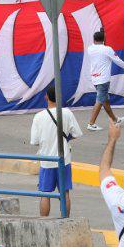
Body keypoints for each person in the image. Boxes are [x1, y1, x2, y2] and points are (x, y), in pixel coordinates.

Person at [30, 85, 83, 217]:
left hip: (46, 161)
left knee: (44, 194)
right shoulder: (67, 113)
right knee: (65, 193)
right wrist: (65, 139)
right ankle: (65, 219)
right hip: (63, 159)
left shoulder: (38, 116)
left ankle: (43, 223)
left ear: (46, 97)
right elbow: (76, 133)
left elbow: (34, 141)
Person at [86, 29, 124, 131]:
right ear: (104, 39)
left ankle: (115, 120)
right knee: (100, 100)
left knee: (105, 101)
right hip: (103, 80)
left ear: (94, 40)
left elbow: (99, 48)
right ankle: (91, 123)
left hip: (94, 78)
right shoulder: (107, 49)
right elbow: (118, 61)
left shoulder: (90, 49)